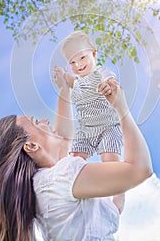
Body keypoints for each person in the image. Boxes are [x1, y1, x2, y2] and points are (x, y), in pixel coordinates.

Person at [0, 67, 152, 241]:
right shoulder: (61, 177)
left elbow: (64, 139)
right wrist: (122, 109)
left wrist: (65, 91)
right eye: (36, 121)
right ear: (32, 146)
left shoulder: (42, 185)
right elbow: (141, 169)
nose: (45, 120)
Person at [59, 30, 125, 212]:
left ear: (94, 53)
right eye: (72, 62)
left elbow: (110, 80)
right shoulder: (78, 81)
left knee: (110, 162)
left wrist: (109, 85)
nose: (78, 64)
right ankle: (77, 199)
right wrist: (63, 76)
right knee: (74, 163)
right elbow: (71, 81)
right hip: (85, 130)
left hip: (108, 127)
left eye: (82, 57)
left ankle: (118, 196)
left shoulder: (101, 72)